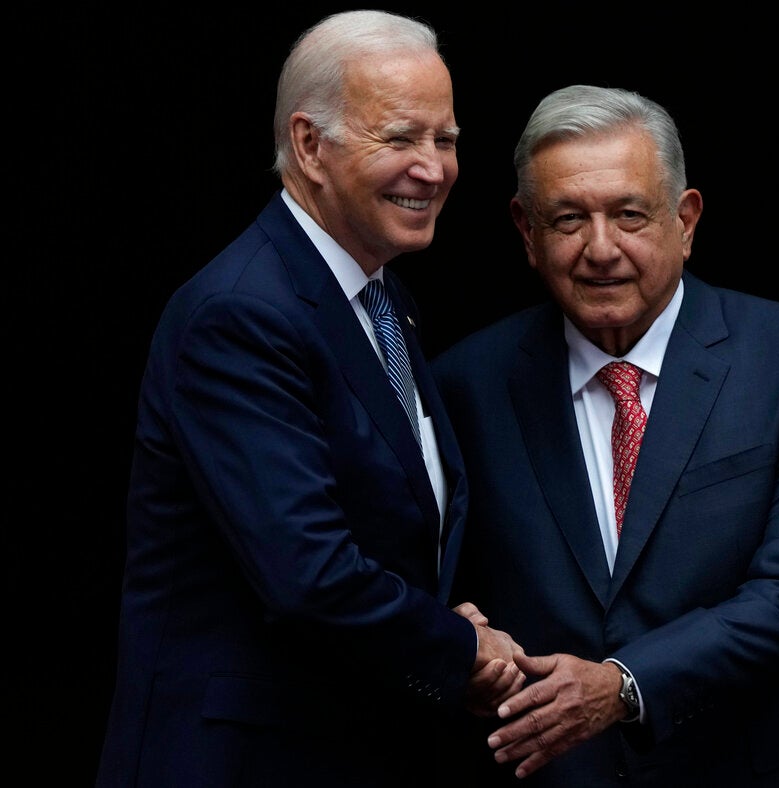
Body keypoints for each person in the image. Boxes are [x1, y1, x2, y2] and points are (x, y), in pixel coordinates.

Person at [95, 10, 524, 787]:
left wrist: (437, 624)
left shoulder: (384, 299)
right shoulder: (242, 313)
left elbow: (393, 528)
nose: (432, 168)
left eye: (446, 139)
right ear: (307, 145)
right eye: (399, 138)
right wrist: (460, 650)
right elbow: (310, 575)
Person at [431, 84, 779, 786]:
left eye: (629, 214)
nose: (600, 249)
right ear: (526, 232)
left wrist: (624, 685)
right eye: (568, 217)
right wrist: (459, 636)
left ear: (686, 219)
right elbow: (432, 578)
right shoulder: (463, 385)